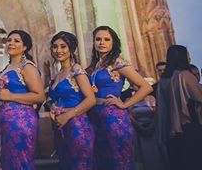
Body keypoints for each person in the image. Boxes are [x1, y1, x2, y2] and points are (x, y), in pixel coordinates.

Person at [89, 26, 152, 170]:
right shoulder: (96, 65)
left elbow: (146, 87)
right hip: (96, 118)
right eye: (98, 39)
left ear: (113, 43)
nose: (101, 43)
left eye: (106, 39)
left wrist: (124, 104)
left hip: (114, 119)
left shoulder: (118, 63)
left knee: (118, 162)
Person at [0, 30, 45, 170]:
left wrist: (11, 96)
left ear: (25, 47)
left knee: (20, 161)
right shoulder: (6, 68)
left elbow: (40, 96)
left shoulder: (27, 67)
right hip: (5, 121)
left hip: (21, 121)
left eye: (16, 41)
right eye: (9, 40)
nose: (11, 43)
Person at [47, 32, 95, 170]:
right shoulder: (58, 74)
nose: (58, 50)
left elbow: (91, 99)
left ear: (71, 49)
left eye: (63, 46)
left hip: (77, 125)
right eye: (55, 47)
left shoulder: (76, 70)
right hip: (61, 127)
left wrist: (68, 115)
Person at [156, 45, 202, 170]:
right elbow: (199, 97)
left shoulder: (163, 80)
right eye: (187, 55)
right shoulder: (185, 75)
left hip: (170, 128)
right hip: (189, 124)